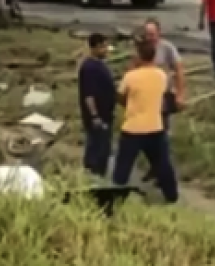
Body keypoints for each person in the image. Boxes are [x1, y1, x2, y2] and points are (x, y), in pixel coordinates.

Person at [112, 39, 179, 204]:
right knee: (162, 164)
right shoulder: (161, 75)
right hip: (155, 126)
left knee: (123, 167)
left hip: (133, 128)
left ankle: (114, 197)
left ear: (139, 56)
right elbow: (165, 93)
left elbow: (120, 96)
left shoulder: (131, 76)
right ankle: (172, 195)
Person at [141, 18, 185, 183]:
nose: (149, 37)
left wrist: (180, 94)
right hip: (145, 98)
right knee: (145, 136)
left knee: (161, 135)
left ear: (159, 33)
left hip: (162, 97)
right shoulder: (142, 49)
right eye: (146, 34)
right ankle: (155, 166)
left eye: (152, 34)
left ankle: (163, 172)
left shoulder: (167, 48)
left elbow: (179, 71)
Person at [78, 33, 117, 177]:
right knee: (97, 150)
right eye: (103, 47)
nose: (106, 50)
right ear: (95, 48)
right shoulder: (90, 68)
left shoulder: (99, 65)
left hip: (105, 116)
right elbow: (89, 95)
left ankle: (98, 175)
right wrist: (95, 116)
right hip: (98, 118)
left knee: (103, 149)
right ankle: (92, 177)